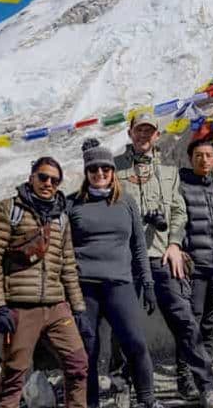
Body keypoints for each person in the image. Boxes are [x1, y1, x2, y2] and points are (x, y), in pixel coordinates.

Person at [112, 112, 213, 408]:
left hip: (162, 256)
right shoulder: (114, 170)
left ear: (157, 135)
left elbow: (179, 212)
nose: (144, 136)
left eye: (149, 131)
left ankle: (206, 387)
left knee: (186, 322)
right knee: (124, 324)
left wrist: (175, 243)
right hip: (127, 259)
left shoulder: (170, 172)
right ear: (130, 133)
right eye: (139, 131)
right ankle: (122, 387)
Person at [0, 157, 90, 408]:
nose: (48, 183)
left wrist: (79, 307)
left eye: (54, 180)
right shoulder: (7, 210)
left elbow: (68, 265)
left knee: (78, 365)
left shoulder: (61, 217)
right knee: (14, 376)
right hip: (20, 307)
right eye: (43, 177)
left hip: (56, 306)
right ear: (31, 177)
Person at [67, 139, 161, 408]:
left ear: (112, 171)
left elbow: (139, 247)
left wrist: (148, 283)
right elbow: (61, 249)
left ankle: (147, 400)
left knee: (135, 343)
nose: (99, 174)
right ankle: (91, 404)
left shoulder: (126, 202)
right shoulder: (72, 204)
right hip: (85, 287)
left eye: (105, 169)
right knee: (89, 351)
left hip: (120, 284)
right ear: (86, 172)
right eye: (93, 169)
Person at [176, 139, 213, 396]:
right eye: (198, 155)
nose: (203, 160)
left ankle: (206, 375)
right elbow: (176, 226)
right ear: (191, 158)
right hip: (195, 268)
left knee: (210, 325)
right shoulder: (181, 190)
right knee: (191, 325)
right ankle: (185, 381)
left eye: (208, 155)